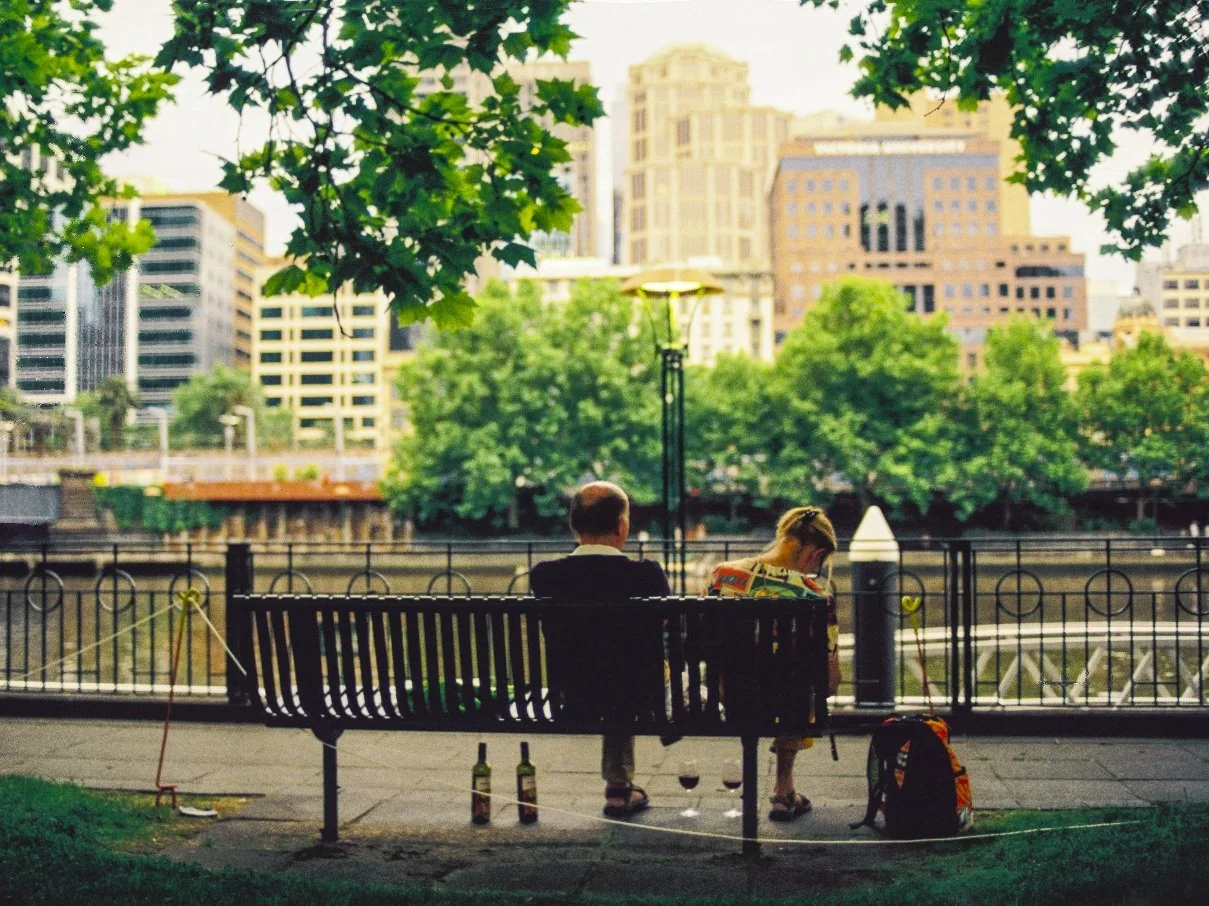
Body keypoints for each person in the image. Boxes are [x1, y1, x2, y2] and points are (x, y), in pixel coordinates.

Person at [529, 481, 671, 818]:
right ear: (623, 526)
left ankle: (618, 787)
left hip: (571, 695)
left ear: (574, 527)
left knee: (610, 674)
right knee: (626, 674)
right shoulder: (646, 575)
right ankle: (619, 787)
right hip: (638, 699)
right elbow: (665, 625)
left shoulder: (546, 576)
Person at [703, 505, 840, 822]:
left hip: (732, 695)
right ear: (813, 553)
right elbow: (830, 681)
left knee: (777, 680)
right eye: (820, 559)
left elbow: (705, 642)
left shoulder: (724, 576)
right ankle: (783, 789)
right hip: (787, 705)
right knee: (804, 685)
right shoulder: (815, 595)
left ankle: (781, 787)